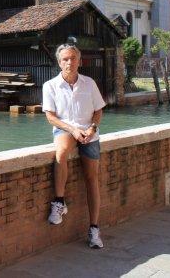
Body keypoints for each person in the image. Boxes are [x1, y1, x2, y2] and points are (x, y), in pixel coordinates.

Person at [42, 44, 106, 249]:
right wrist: (72, 129)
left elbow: (98, 110)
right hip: (65, 130)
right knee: (60, 153)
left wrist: (92, 128)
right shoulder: (50, 86)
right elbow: (51, 117)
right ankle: (59, 202)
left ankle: (94, 229)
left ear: (79, 61)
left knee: (92, 180)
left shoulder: (89, 83)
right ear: (59, 62)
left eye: (73, 58)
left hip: (89, 133)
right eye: (65, 59)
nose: (69, 62)